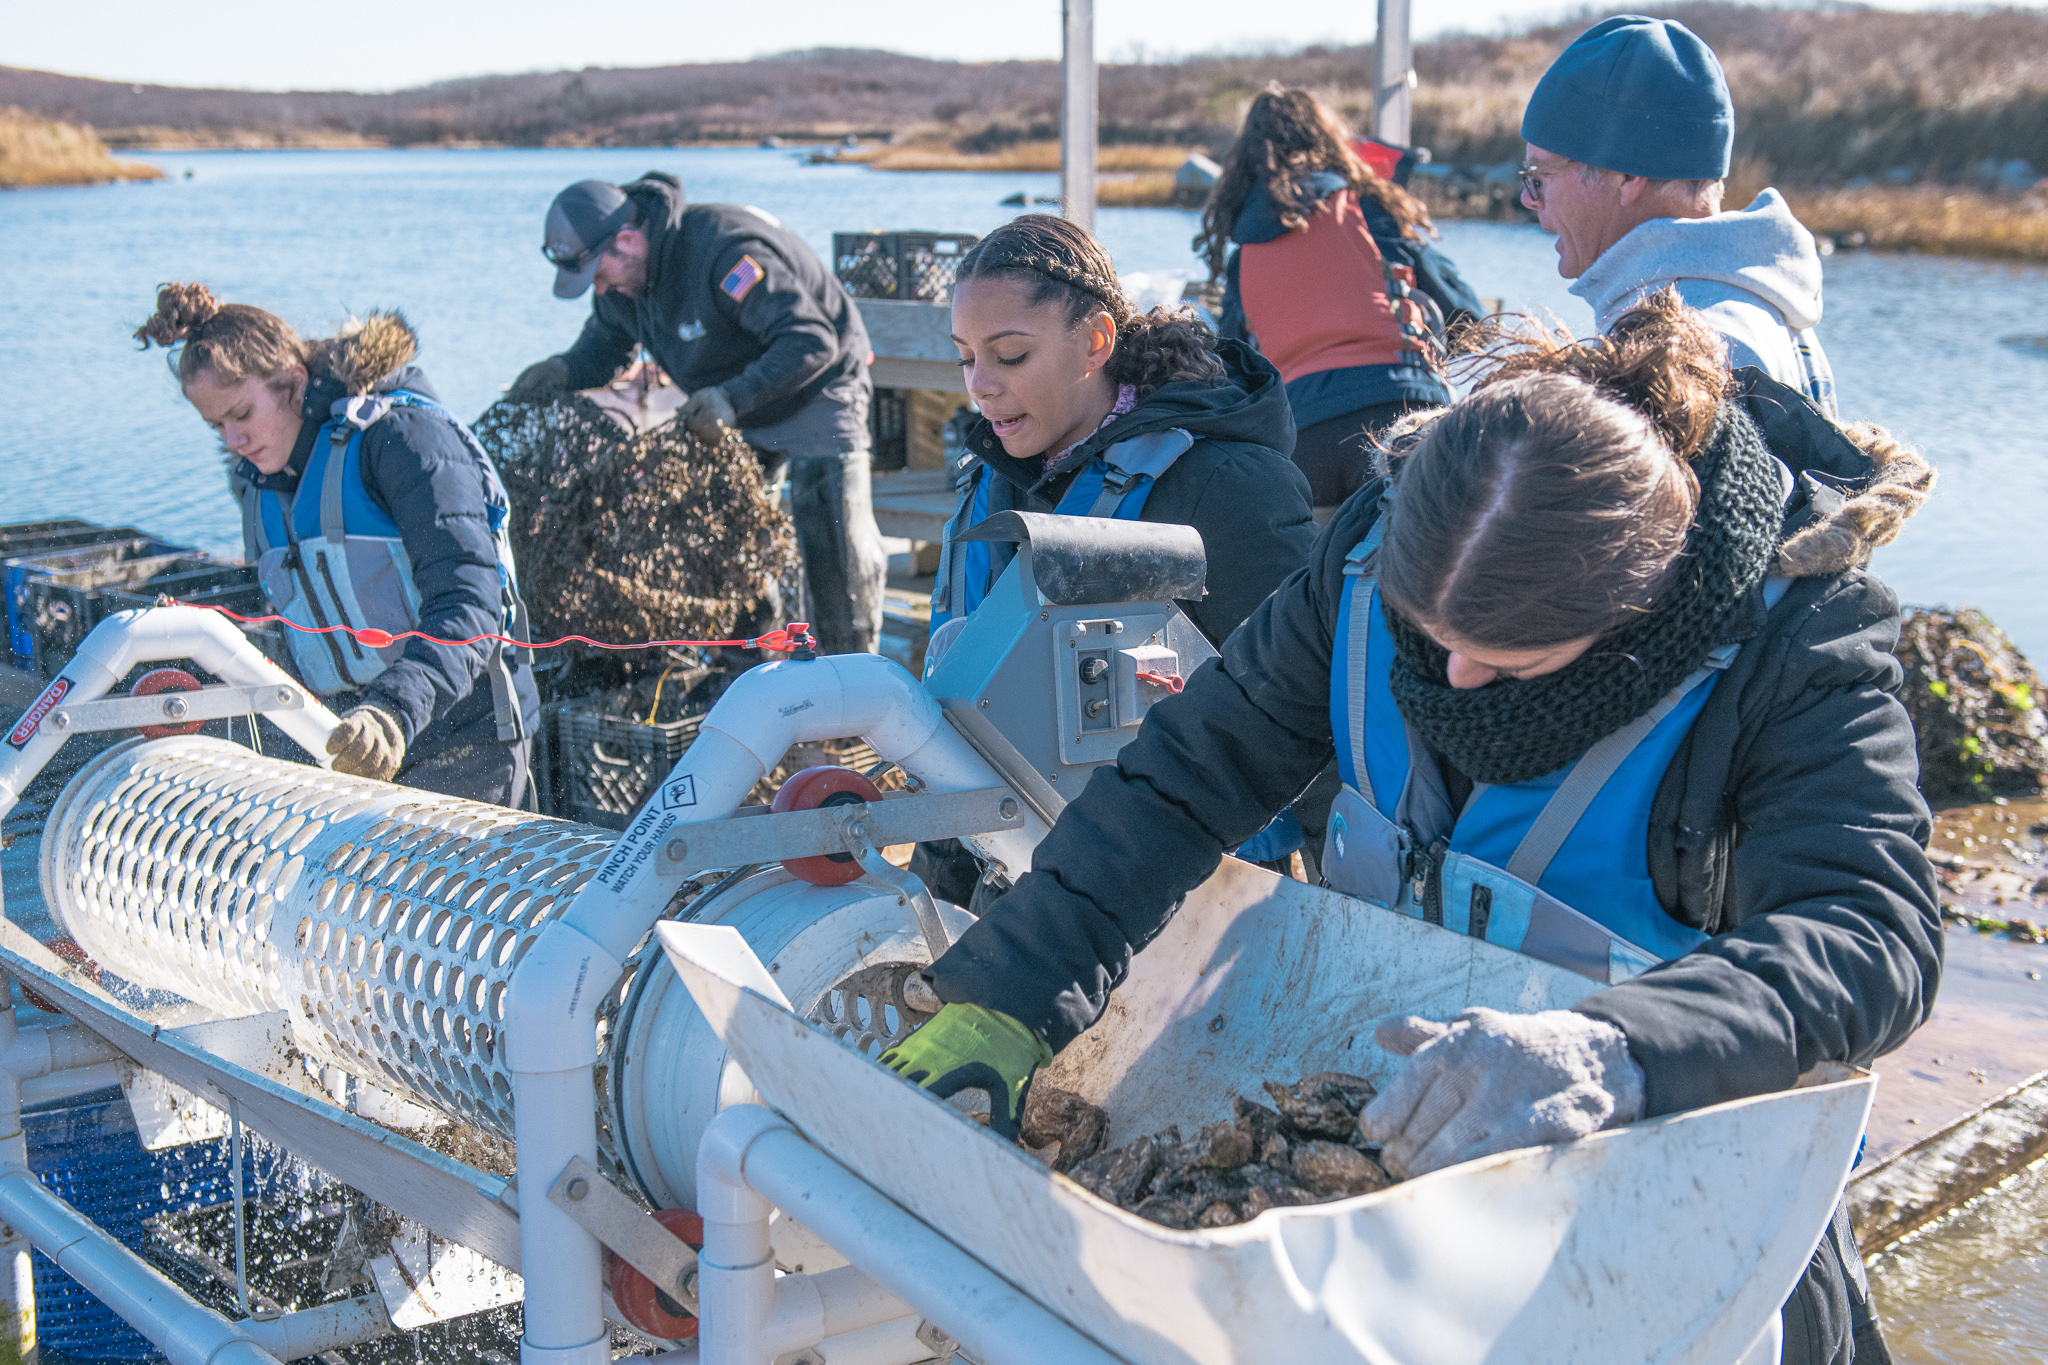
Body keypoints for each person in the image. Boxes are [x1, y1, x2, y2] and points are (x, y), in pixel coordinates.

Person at [883, 294, 1938, 1364]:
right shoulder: (1370, 551)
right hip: (1406, 1167)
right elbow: (1189, 769)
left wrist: (1617, 1048)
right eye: (1425, 638)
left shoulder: (1795, 646)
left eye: (1502, 658)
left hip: (1666, 1175)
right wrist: (1012, 994)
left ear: (1633, 615)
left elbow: (1871, 933)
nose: (1453, 678)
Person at [915, 213, 1318, 903]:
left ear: (1097, 341)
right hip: (1012, 879)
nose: (979, 384)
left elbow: (1309, 705)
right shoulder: (992, 480)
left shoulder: (1227, 486)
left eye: (1010, 355)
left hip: (1198, 892)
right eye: (965, 356)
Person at [136, 284, 539, 807]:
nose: (233, 441)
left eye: (241, 415)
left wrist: (391, 713)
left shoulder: (401, 438)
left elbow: (471, 605)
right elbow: (291, 625)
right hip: (342, 737)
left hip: (463, 731)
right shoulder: (259, 483)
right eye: (217, 427)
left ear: (293, 381)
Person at [508, 172, 887, 656]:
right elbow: (603, 348)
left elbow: (810, 340)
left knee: (833, 545)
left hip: (819, 384)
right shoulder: (624, 288)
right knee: (720, 541)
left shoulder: (723, 253)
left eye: (597, 274)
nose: (598, 289)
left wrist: (732, 398)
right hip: (729, 402)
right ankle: (750, 666)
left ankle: (855, 677)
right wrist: (561, 370)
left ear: (626, 240)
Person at [1520, 14, 1838, 415]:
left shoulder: (1688, 350)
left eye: (1539, 176)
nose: (1529, 199)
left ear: (1627, 175)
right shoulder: (1765, 306)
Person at [1197, 85, 1482, 514]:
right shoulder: (1368, 209)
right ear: (1329, 141)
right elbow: (1466, 315)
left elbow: (1236, 371)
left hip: (1305, 440)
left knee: (1324, 575)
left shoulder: (1244, 255)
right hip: (1402, 411)